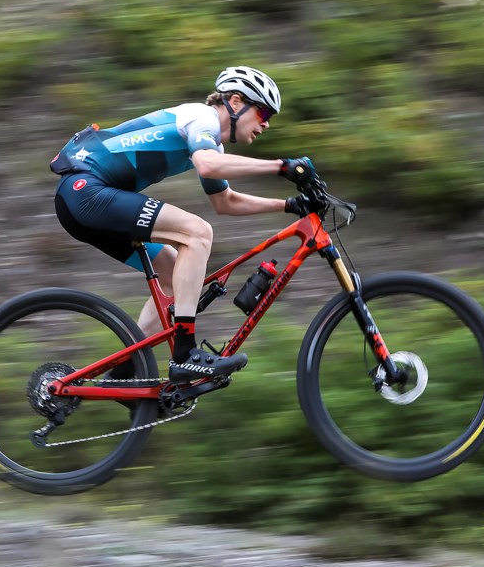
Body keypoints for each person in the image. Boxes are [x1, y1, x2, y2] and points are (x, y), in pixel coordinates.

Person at [50, 65, 320, 384]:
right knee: (197, 233)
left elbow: (225, 202)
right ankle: (185, 354)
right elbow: (206, 166)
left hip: (82, 205)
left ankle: (124, 371)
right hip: (86, 192)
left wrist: (288, 205)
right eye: (262, 114)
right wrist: (281, 166)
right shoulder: (201, 117)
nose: (265, 124)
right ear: (235, 102)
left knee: (176, 275)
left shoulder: (210, 145)